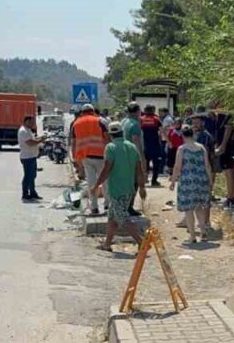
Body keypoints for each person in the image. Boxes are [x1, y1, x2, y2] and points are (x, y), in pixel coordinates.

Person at [91, 121, 147, 252]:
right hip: (129, 189)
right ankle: (107, 244)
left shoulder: (110, 147)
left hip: (117, 190)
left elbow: (106, 169)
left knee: (122, 218)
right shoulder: (132, 147)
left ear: (110, 135)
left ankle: (141, 242)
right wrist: (142, 187)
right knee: (112, 217)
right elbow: (139, 170)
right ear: (122, 132)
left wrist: (96, 185)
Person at [171, 125, 214, 244]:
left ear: (183, 136)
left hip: (187, 181)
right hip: (201, 180)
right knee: (199, 207)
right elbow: (207, 166)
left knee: (189, 209)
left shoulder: (182, 149)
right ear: (193, 135)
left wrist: (173, 181)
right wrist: (210, 180)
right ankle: (203, 233)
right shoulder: (201, 148)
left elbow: (177, 167)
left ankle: (193, 236)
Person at [71, 104, 108, 215]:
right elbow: (107, 138)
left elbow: (74, 143)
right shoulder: (100, 121)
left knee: (91, 182)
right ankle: (107, 204)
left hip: (85, 157)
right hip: (101, 155)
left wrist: (76, 159)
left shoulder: (76, 123)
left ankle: (94, 207)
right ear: (93, 111)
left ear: (82, 112)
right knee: (105, 181)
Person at [210, 103, 234, 207]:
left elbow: (228, 129)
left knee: (229, 172)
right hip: (227, 146)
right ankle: (233, 196)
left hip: (228, 147)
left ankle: (230, 198)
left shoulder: (225, 115)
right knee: (230, 172)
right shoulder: (219, 116)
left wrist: (223, 145)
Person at [17, 115, 46, 202]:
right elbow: (30, 143)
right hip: (27, 157)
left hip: (31, 156)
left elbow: (33, 139)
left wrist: (40, 138)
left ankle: (32, 193)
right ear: (26, 121)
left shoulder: (28, 130)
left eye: (33, 122)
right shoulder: (23, 131)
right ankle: (25, 194)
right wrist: (40, 141)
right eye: (31, 122)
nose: (32, 123)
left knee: (32, 176)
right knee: (28, 176)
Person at [139, 105, 165, 186]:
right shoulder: (156, 119)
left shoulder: (141, 119)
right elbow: (162, 131)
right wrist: (169, 141)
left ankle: (145, 179)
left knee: (145, 163)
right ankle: (154, 181)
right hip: (155, 145)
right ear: (153, 111)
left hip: (144, 145)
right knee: (156, 164)